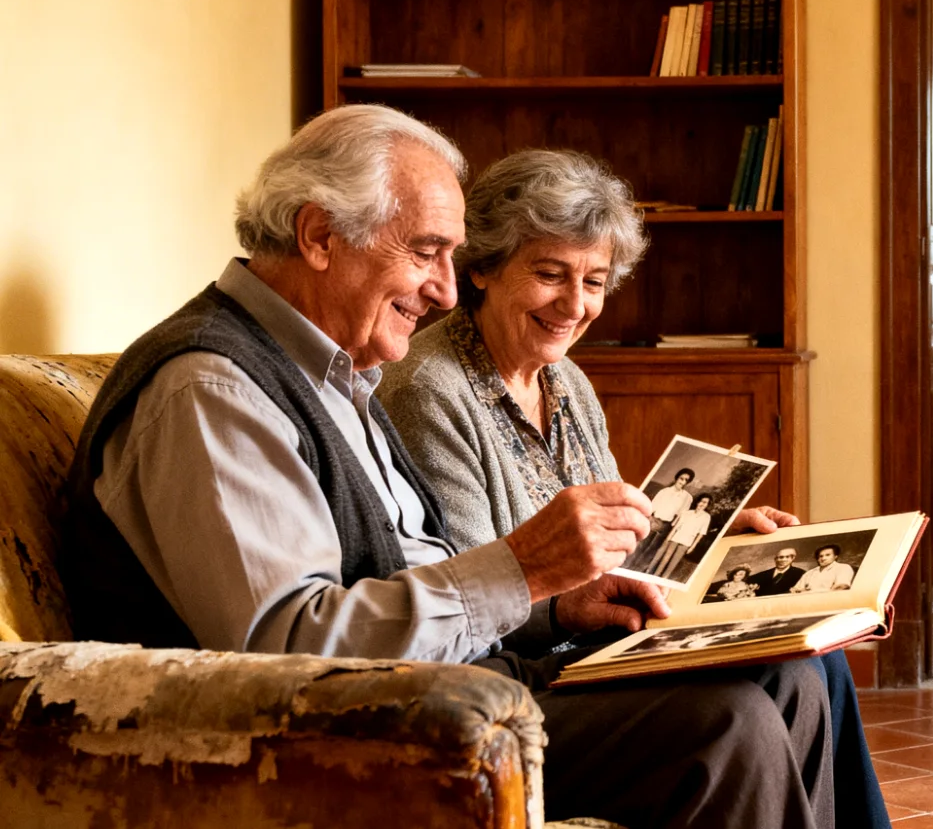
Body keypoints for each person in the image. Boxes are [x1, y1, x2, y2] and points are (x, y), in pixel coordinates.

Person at [58, 105, 834, 829]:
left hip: (464, 683)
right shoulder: (212, 388)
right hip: (363, 734)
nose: (443, 288)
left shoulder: (337, 373)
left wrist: (565, 604)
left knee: (790, 680)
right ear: (320, 235)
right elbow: (291, 650)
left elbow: (414, 567)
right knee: (730, 724)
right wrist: (526, 569)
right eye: (426, 252)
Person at [381, 147, 890, 828]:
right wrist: (570, 604)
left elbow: (612, 546)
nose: (575, 304)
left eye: (594, 280)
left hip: (594, 640)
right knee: (758, 701)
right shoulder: (429, 390)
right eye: (550, 274)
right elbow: (472, 592)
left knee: (810, 668)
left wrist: (703, 540)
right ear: (481, 267)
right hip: (519, 664)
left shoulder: (568, 382)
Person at [652, 493, 715, 579]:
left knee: (673, 562)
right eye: (701, 501)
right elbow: (676, 527)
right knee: (665, 559)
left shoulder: (706, 517)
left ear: (708, 505)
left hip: (686, 542)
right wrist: (668, 538)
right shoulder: (687, 513)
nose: (702, 504)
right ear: (697, 502)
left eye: (705, 503)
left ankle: (664, 578)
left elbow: (700, 534)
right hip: (675, 538)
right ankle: (655, 575)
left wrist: (692, 547)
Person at [643, 467, 697, 561]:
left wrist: (672, 528)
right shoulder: (664, 492)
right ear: (677, 478)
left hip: (667, 526)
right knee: (641, 545)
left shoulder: (687, 497)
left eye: (686, 480)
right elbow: (652, 508)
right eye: (681, 478)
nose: (683, 482)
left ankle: (640, 569)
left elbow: (681, 515)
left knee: (653, 551)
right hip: (653, 522)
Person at [791, 545, 856, 594]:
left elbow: (841, 587)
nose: (823, 558)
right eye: (821, 556)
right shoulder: (810, 573)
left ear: (835, 556)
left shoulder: (843, 568)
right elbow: (795, 589)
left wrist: (808, 592)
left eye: (827, 555)